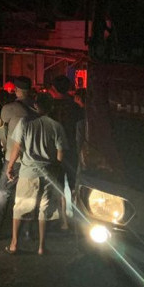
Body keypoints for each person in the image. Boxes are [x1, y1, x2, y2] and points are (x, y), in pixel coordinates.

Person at [5, 92, 66, 255]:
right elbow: (60, 153)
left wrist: (10, 166)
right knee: (44, 210)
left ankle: (14, 244)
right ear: (51, 107)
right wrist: (56, 170)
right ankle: (41, 247)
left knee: (20, 207)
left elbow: (17, 147)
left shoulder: (25, 122)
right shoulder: (56, 126)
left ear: (35, 105)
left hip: (28, 172)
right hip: (48, 173)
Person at [0, 76, 36, 239]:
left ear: (16, 90)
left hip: (12, 158)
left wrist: (7, 146)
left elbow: (1, 128)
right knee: (28, 194)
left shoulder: (9, 108)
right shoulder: (37, 107)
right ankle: (27, 230)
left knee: (4, 192)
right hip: (32, 159)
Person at [48, 75, 84, 231]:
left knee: (59, 186)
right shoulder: (76, 107)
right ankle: (77, 219)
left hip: (55, 151)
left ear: (54, 89)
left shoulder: (51, 108)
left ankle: (64, 221)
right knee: (75, 185)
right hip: (73, 150)